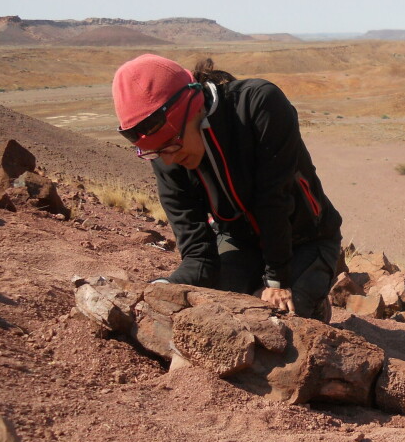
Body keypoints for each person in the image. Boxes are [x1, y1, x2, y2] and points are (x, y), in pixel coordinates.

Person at [111, 54, 342, 321]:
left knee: (277, 321)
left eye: (172, 144)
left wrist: (277, 281)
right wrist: (164, 288)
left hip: (305, 239)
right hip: (239, 241)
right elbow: (198, 254)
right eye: (155, 152)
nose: (170, 159)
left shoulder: (259, 103)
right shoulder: (165, 153)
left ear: (195, 107)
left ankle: (315, 302)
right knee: (211, 312)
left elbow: (272, 199)